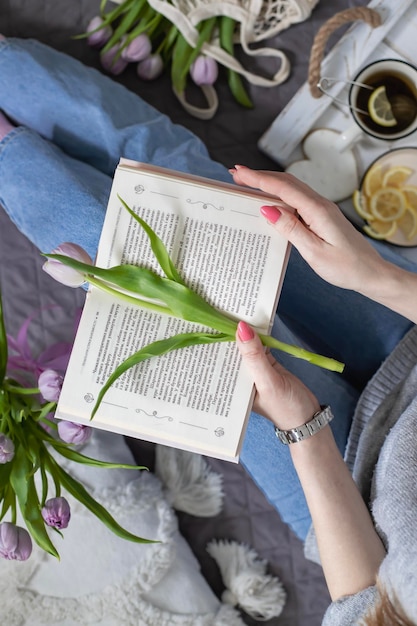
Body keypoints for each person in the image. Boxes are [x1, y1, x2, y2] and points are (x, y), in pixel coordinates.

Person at [0, 36, 416, 623]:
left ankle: (6, 156)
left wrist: (303, 429)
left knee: (133, 288)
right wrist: (377, 276)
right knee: (191, 190)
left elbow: (365, 605)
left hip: (351, 500)